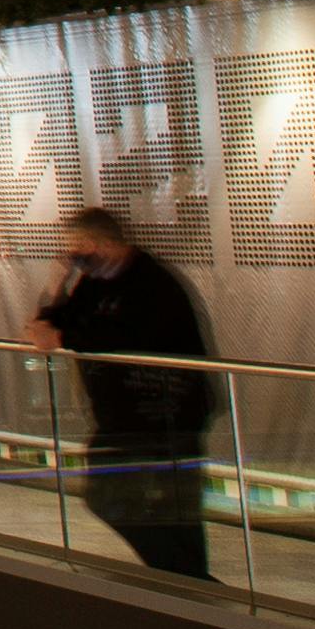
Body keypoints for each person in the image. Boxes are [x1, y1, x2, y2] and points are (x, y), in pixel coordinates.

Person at [28, 207, 217, 578]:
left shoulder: (153, 283)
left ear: (101, 244)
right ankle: (191, 583)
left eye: (77, 247)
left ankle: (193, 585)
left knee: (173, 511)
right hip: (120, 418)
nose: (72, 256)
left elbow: (130, 338)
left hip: (167, 414)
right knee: (113, 498)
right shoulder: (93, 283)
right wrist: (56, 286)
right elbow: (50, 326)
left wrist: (63, 337)